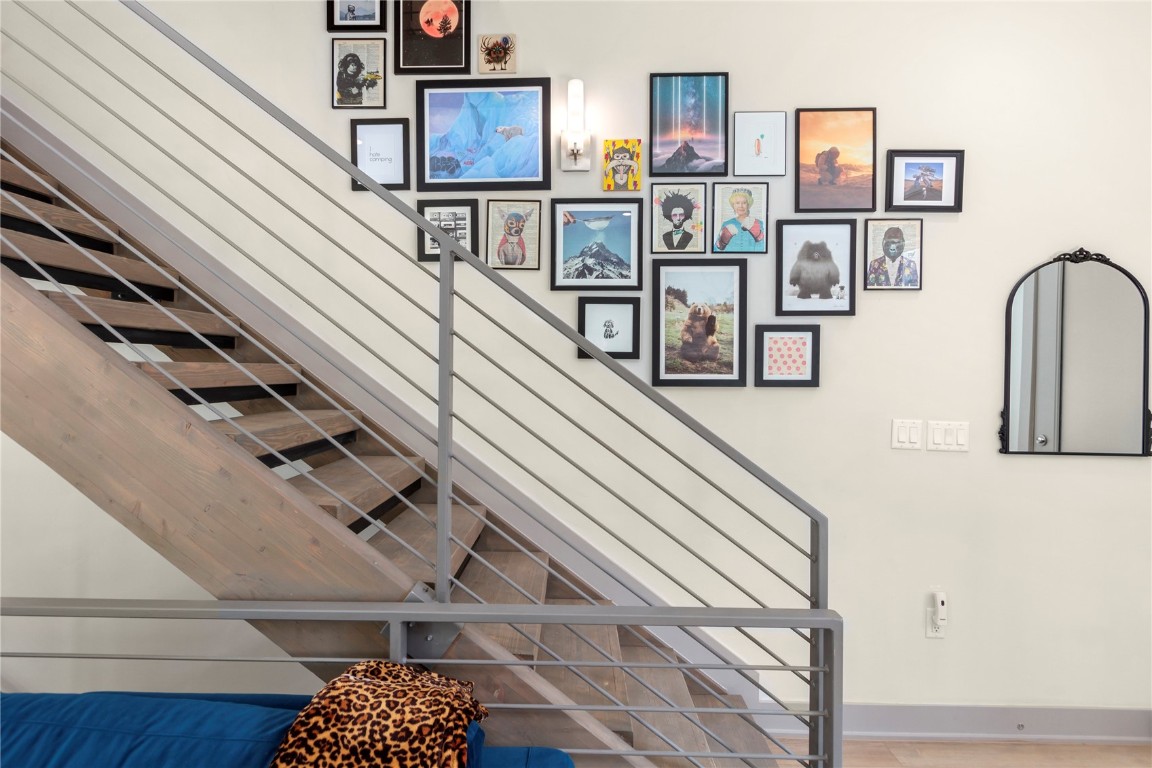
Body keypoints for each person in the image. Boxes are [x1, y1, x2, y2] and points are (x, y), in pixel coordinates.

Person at [713, 188, 765, 252]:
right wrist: (722, 242)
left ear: (748, 204)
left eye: (744, 203)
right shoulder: (726, 224)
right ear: (733, 205)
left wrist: (759, 236)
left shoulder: (759, 223)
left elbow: (764, 250)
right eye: (737, 203)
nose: (741, 206)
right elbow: (715, 250)